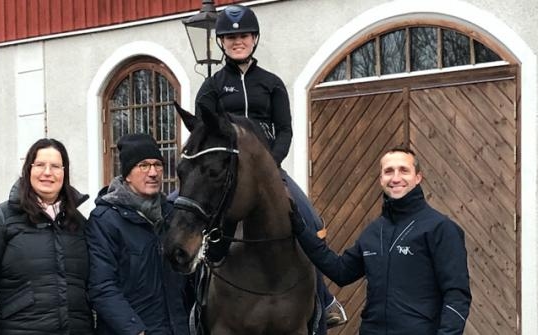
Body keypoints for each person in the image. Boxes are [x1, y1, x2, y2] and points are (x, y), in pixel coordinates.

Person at [194, 4, 346, 331]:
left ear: (254, 39)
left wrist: (269, 165)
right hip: (224, 174)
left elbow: (286, 130)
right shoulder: (212, 87)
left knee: (309, 217)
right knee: (188, 216)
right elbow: (203, 134)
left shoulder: (272, 84)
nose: (238, 42)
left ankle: (324, 296)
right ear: (221, 42)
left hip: (268, 170)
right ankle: (193, 300)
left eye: (244, 35)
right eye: (230, 37)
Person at [292, 147, 472, 334]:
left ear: (418, 177)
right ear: (380, 179)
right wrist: (301, 231)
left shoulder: (440, 228)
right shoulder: (374, 232)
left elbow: (457, 295)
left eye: (404, 170)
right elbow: (341, 271)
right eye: (388, 171)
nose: (395, 178)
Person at [0, 138, 94, 334]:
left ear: (64, 172)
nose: (48, 173)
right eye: (40, 165)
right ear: (28, 170)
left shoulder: (79, 224)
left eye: (56, 166)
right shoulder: (0, 220)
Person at [86, 133, 189, 335]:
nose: (153, 172)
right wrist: (136, 331)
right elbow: (102, 286)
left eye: (158, 165)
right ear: (126, 174)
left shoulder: (173, 215)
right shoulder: (105, 219)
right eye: (143, 165)